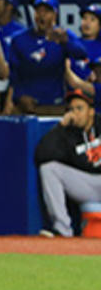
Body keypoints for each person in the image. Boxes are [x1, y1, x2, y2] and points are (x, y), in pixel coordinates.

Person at [35, 89, 101, 237]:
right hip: (86, 184)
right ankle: (63, 230)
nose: (74, 113)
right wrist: (60, 127)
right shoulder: (66, 132)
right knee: (48, 169)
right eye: (71, 109)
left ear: (91, 111)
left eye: (79, 108)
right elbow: (42, 155)